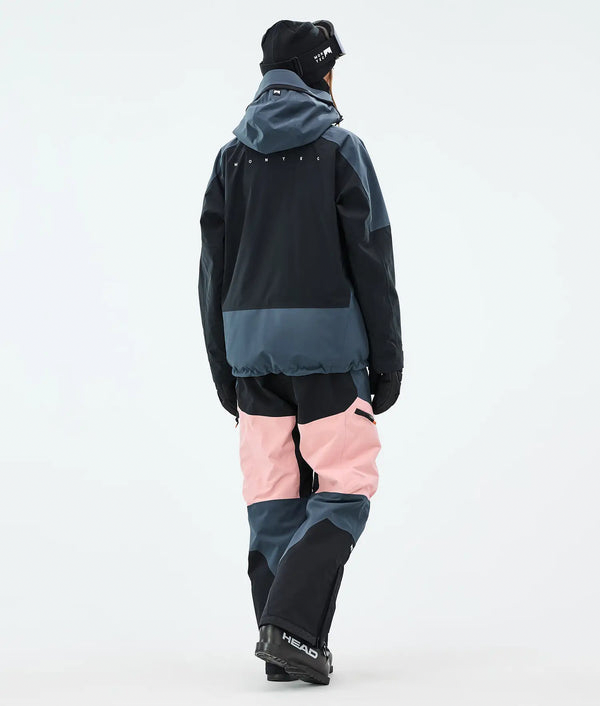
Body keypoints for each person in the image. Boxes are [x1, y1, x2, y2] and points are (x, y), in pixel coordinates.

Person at [198, 19, 403, 685]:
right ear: (320, 72)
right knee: (344, 487)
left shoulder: (231, 159)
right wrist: (388, 360)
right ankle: (289, 628)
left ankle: (287, 643)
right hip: (329, 355)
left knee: (272, 495)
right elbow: (372, 258)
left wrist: (222, 366)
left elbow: (212, 273)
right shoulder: (341, 148)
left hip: (251, 355)